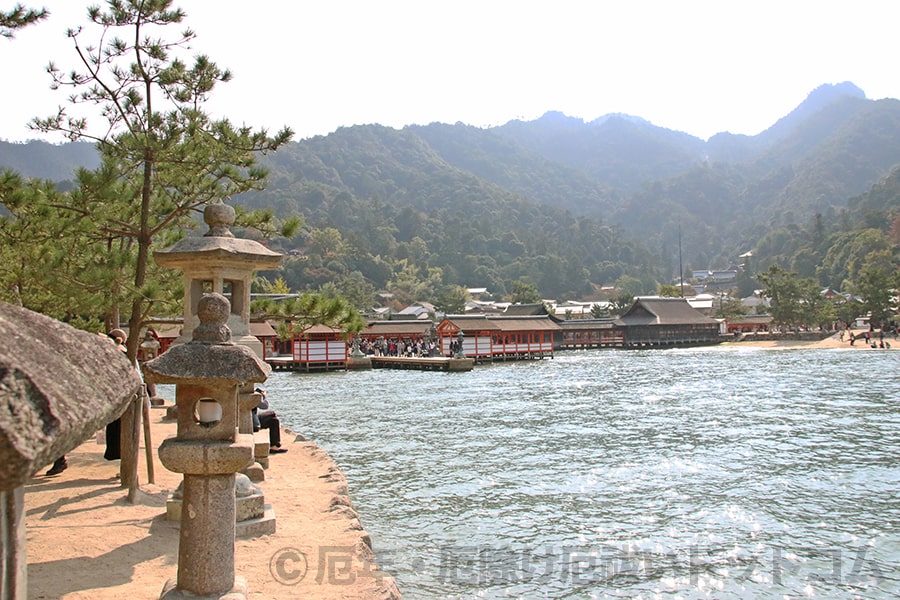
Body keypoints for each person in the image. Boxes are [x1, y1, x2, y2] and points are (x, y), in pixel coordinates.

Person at [253, 387, 287, 453]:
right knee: (273, 418)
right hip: (253, 423)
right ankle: (274, 446)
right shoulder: (252, 397)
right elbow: (265, 406)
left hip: (251, 420)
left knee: (274, 419)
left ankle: (275, 444)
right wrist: (264, 396)